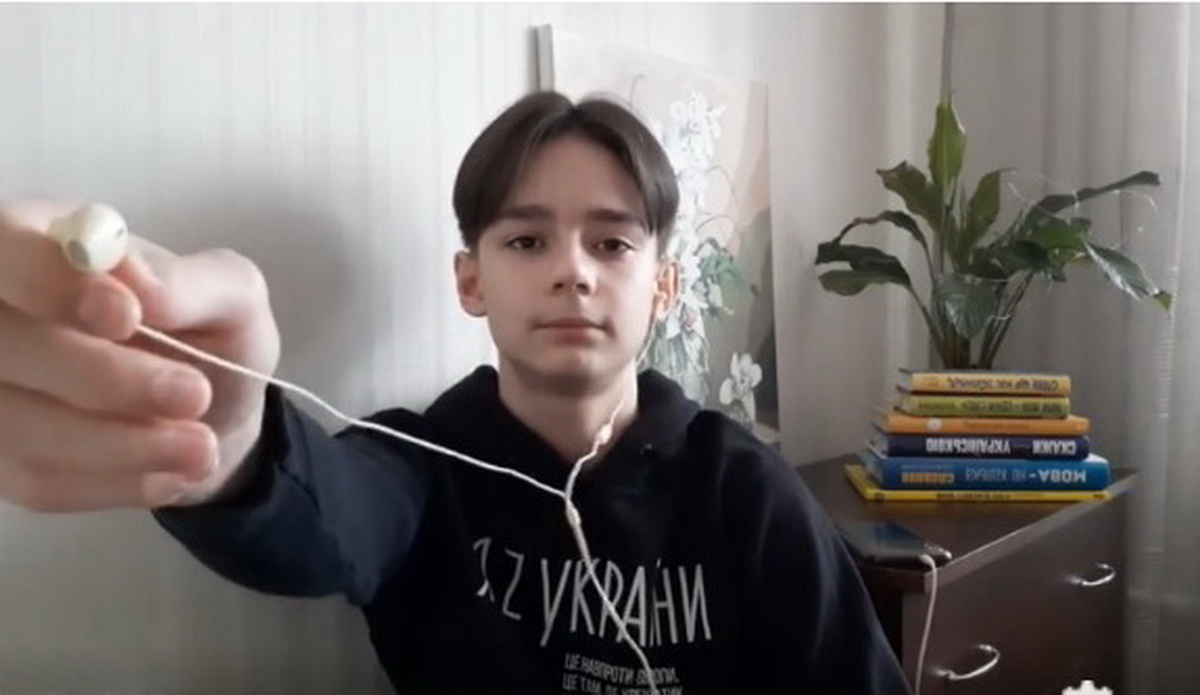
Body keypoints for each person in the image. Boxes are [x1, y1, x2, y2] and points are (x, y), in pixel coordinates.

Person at [0, 91, 909, 693]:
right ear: (470, 280)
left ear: (663, 287)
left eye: (611, 243)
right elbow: (316, 521)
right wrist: (224, 438)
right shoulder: (417, 468)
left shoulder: (745, 489)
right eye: (527, 241)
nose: (573, 272)